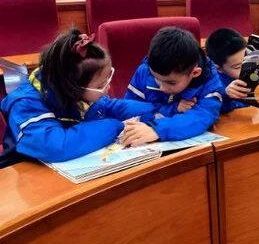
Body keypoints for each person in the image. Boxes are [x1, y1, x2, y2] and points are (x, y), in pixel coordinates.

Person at [0, 28, 156, 165]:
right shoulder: (26, 104)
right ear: (73, 87)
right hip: (24, 174)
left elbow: (110, 107)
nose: (108, 88)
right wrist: (117, 126)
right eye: (100, 86)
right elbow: (57, 147)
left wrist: (158, 110)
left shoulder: (77, 92)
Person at [123, 27, 224, 145]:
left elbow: (203, 116)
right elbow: (128, 110)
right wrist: (172, 108)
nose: (162, 88)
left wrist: (157, 128)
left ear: (195, 73)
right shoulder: (145, 71)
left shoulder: (210, 81)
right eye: (156, 79)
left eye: (171, 83)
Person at [205, 28, 251, 112]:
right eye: (237, 67)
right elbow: (211, 107)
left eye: (247, 61)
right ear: (218, 68)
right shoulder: (212, 84)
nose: (246, 69)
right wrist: (226, 95)